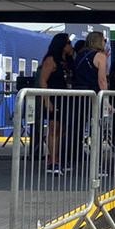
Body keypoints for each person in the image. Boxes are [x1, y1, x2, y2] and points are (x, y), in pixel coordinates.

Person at [39, 33, 74, 175]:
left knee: (63, 129)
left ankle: (58, 157)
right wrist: (47, 100)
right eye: (67, 43)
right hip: (54, 99)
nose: (70, 46)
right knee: (54, 129)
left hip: (67, 98)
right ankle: (53, 160)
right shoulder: (51, 60)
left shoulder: (69, 61)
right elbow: (43, 81)